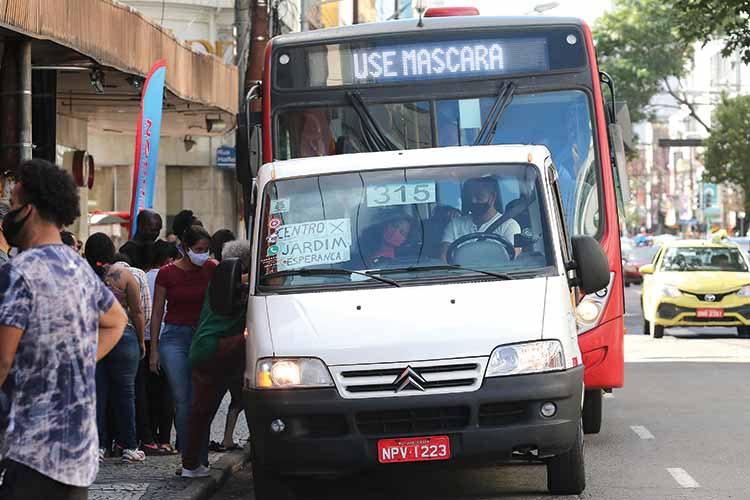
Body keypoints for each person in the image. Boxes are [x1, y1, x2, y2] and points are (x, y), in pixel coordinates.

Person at [0, 159, 127, 499]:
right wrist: (80, 358)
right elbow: (117, 321)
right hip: (79, 453)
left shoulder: (20, 272)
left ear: (30, 209)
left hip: (32, 450)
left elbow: (2, 361)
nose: (8, 213)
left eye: (12, 204)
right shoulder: (79, 268)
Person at [181, 240, 251, 477]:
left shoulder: (220, 280)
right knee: (202, 410)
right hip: (216, 348)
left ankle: (193, 463)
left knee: (203, 410)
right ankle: (191, 464)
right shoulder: (235, 284)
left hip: (209, 348)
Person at [149, 226, 216, 453]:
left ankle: (199, 453)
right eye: (199, 249)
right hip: (174, 337)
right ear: (186, 249)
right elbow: (157, 312)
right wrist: (154, 349)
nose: (203, 254)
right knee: (183, 399)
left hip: (203, 336)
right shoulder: (167, 273)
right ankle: (189, 456)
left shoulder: (212, 268)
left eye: (206, 249)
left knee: (201, 400)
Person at [85, 233, 148, 464]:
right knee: (125, 394)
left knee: (97, 394)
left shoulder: (82, 276)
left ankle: (98, 447)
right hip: (124, 335)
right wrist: (141, 341)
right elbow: (138, 311)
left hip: (94, 338)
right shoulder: (125, 276)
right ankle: (129, 446)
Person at [143, 240, 179, 454]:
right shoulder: (169, 276)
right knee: (167, 392)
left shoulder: (142, 276)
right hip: (165, 337)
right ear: (168, 260)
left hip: (145, 339)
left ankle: (149, 437)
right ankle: (165, 439)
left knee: (148, 392)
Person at [440, 177, 521, 261]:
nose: (474, 201)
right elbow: (444, 256)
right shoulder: (454, 225)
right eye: (470, 197)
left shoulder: (511, 226)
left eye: (479, 197)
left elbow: (514, 256)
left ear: (493, 197)